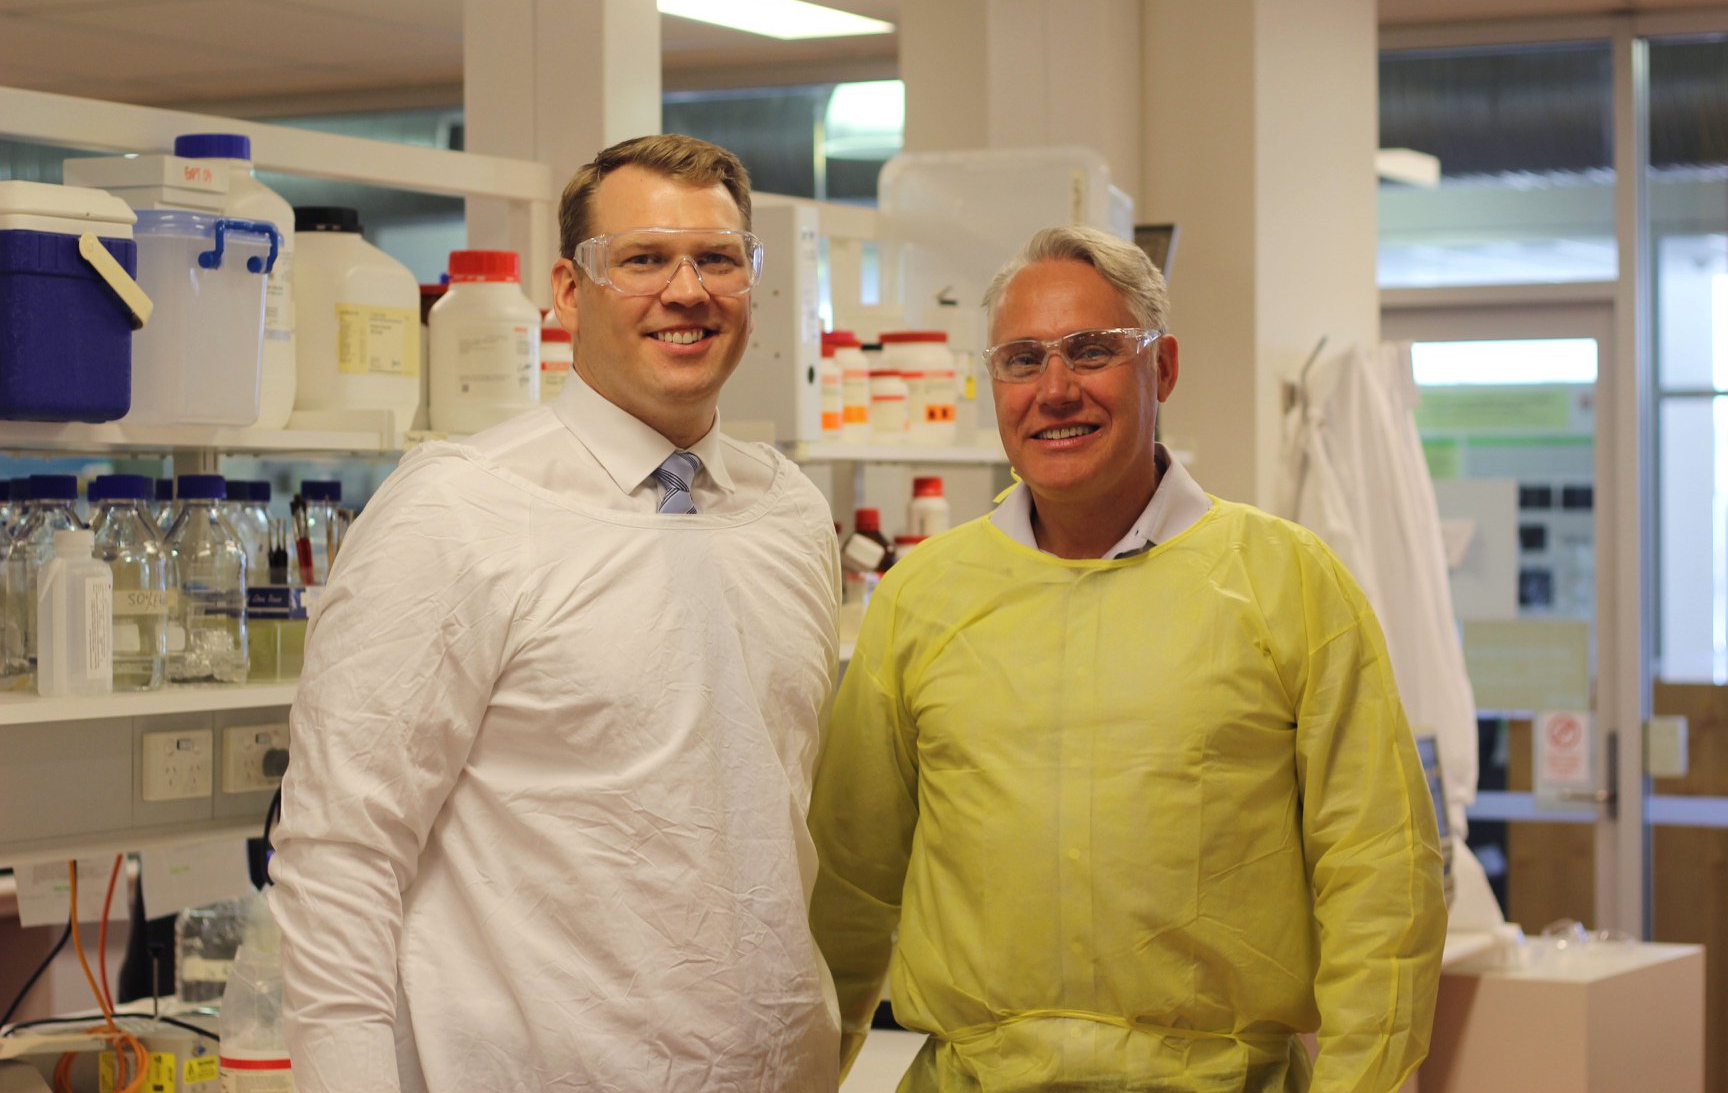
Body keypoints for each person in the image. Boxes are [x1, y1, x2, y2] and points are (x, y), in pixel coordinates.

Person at [808, 224, 1446, 1091]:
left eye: (1092, 351)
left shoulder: (1287, 582)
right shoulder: (923, 597)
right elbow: (848, 887)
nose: (1055, 390)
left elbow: (1382, 876)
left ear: (1164, 368)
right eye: (1023, 361)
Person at [271, 134, 843, 1093]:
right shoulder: (457, 509)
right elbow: (340, 854)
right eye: (644, 259)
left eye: (717, 259)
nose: (688, 291)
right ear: (570, 292)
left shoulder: (786, 514)